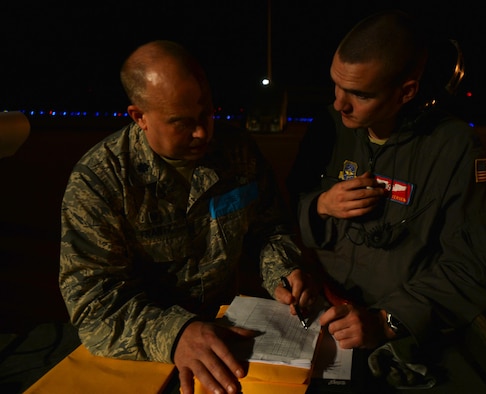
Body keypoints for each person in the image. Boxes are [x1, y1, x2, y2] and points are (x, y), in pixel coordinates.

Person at [59, 40, 312, 394]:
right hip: (143, 353)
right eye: (181, 123)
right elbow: (93, 303)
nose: (202, 133)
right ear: (139, 117)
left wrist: (283, 271)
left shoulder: (237, 152)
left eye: (207, 114)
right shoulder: (100, 180)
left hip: (228, 335)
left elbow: (268, 228)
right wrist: (176, 333)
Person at [287, 9, 486, 388]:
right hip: (324, 317)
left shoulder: (456, 149)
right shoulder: (329, 127)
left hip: (397, 331)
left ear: (405, 92)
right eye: (337, 86)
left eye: (359, 94)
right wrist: (320, 205)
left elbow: (480, 267)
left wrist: (389, 320)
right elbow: (286, 209)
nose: (340, 104)